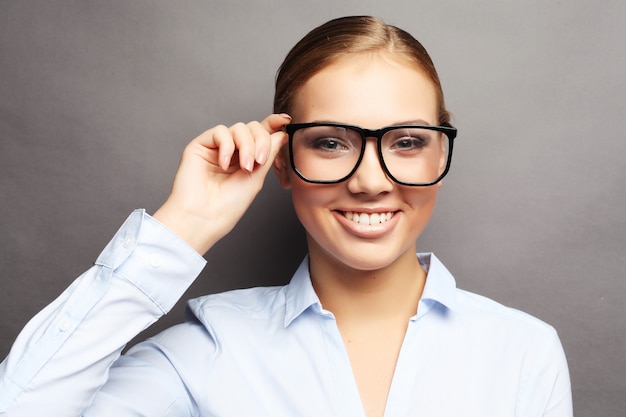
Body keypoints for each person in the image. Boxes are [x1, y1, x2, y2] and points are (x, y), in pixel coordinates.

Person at [0, 15, 572, 417]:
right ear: (282, 161)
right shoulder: (211, 347)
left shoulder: (522, 351)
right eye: (329, 143)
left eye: (405, 142)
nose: (370, 182)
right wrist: (185, 225)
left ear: (440, 152)